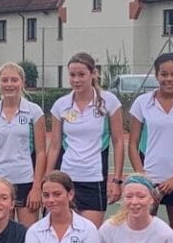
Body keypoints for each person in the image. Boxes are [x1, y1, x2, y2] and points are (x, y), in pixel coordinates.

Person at [127, 52, 173, 243]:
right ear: (157, 75)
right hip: (149, 183)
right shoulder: (142, 103)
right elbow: (133, 145)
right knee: (143, 238)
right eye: (164, 74)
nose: (169, 79)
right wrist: (143, 179)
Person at [48, 52, 124, 225]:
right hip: (65, 179)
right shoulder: (61, 105)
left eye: (81, 74)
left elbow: (118, 141)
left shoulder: (108, 101)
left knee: (89, 236)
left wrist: (117, 180)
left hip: (94, 179)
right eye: (72, 75)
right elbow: (54, 146)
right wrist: (46, 179)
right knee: (63, 236)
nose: (76, 80)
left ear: (93, 73)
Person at [0, 61, 47, 225]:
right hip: (0, 182)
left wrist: (37, 187)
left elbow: (40, 153)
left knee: (28, 235)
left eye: (14, 80)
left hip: (26, 181)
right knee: (1, 235)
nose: (9, 84)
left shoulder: (34, 112)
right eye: (5, 80)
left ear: (22, 83)